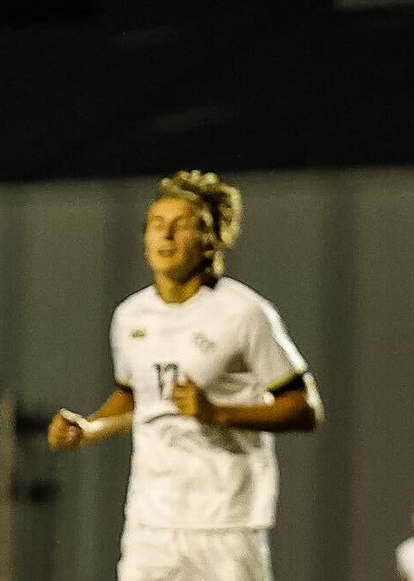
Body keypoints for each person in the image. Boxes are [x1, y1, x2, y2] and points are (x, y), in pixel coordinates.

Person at [48, 170, 323, 581]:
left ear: (209, 240)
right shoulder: (129, 317)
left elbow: (304, 409)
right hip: (150, 522)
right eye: (157, 225)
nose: (167, 236)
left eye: (181, 225)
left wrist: (217, 413)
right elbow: (136, 397)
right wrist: (87, 430)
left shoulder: (244, 313)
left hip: (227, 522)